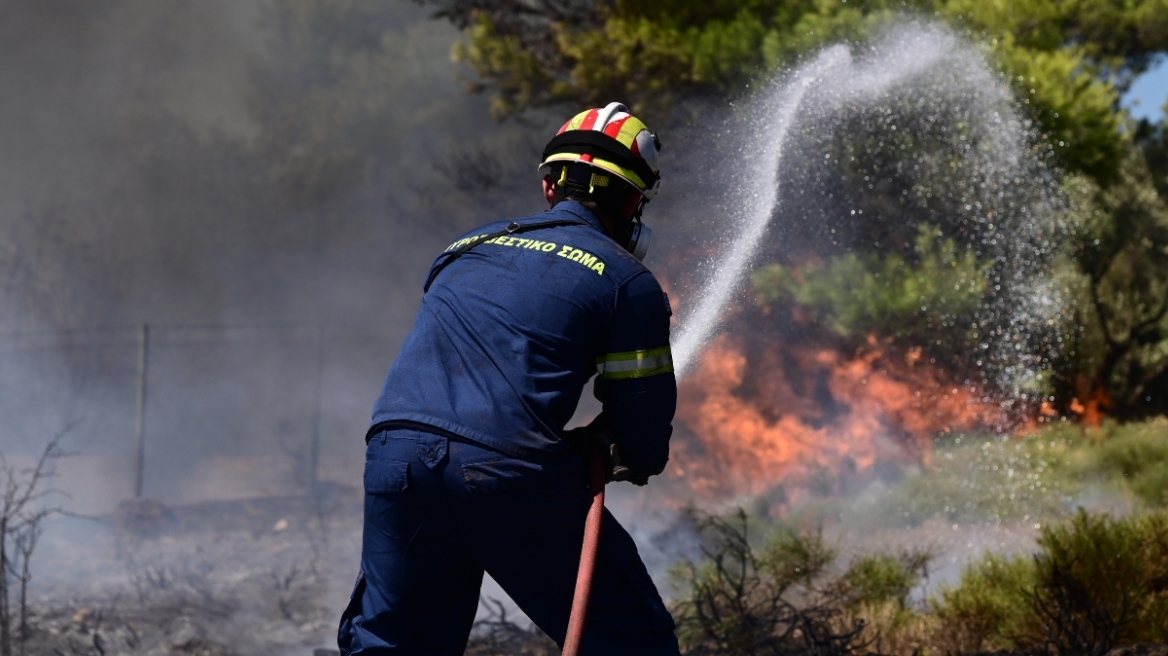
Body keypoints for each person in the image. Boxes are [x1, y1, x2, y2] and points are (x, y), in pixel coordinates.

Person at [338, 102, 679, 655]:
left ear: (550, 187)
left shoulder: (464, 249)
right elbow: (641, 430)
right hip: (506, 471)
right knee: (632, 641)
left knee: (392, 644)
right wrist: (620, 449)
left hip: (395, 456)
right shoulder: (628, 282)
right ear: (634, 201)